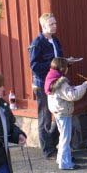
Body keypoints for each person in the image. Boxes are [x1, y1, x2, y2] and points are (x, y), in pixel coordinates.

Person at [45, 57, 87, 170]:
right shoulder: (60, 82)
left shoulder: (51, 77)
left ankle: (61, 159)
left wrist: (79, 87)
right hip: (63, 112)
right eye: (66, 67)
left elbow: (67, 92)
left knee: (63, 137)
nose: (67, 69)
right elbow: (72, 95)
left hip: (57, 111)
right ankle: (65, 163)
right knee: (66, 138)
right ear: (62, 68)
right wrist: (84, 86)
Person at [29, 13, 62, 159]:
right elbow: (34, 66)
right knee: (45, 117)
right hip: (42, 84)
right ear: (43, 26)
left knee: (60, 113)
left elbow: (59, 59)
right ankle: (47, 150)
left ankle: (53, 144)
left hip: (56, 82)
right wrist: (52, 66)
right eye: (51, 24)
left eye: (55, 23)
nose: (54, 26)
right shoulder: (37, 43)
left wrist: (65, 62)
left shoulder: (55, 40)